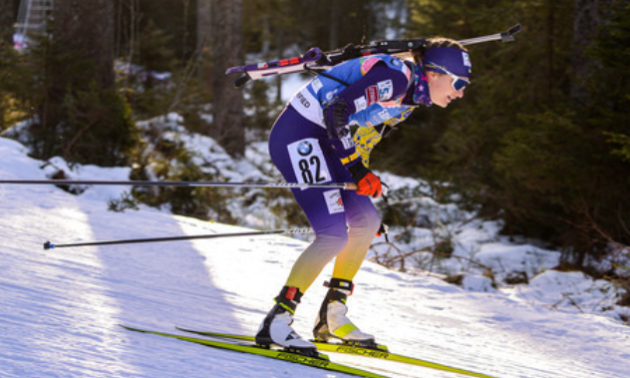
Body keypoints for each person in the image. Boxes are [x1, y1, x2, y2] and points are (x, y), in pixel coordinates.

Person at [255, 37, 472, 353]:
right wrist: (357, 172)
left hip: (326, 141)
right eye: (459, 82)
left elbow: (363, 140)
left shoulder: (411, 99)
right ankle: (276, 321)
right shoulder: (396, 78)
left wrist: (361, 179)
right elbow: (337, 111)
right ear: (436, 73)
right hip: (298, 134)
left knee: (366, 220)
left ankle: (333, 315)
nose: (462, 92)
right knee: (331, 235)